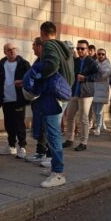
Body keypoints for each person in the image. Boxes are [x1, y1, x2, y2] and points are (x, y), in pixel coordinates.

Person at [35, 21, 75, 187]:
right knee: (54, 132)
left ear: (43, 32)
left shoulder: (49, 46)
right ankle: (54, 167)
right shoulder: (62, 46)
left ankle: (58, 173)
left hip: (54, 95)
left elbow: (51, 65)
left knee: (53, 134)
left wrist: (38, 74)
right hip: (62, 94)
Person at [0, 43, 31, 159]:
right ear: (5, 51)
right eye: (9, 50)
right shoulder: (1, 64)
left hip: (18, 98)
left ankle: (22, 146)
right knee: (8, 124)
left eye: (14, 49)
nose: (12, 51)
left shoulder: (23, 64)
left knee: (19, 123)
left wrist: (23, 83)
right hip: (6, 98)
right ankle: (11, 146)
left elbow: (30, 79)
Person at [63, 39, 100, 151]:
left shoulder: (92, 62)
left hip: (86, 93)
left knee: (83, 118)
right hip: (74, 92)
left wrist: (86, 78)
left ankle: (84, 142)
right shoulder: (76, 61)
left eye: (82, 48)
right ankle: (70, 139)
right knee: (69, 116)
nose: (79, 50)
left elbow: (98, 75)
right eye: (78, 48)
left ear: (88, 50)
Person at [25, 37, 51, 163]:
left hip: (47, 98)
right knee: (40, 126)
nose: (32, 48)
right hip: (39, 98)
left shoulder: (47, 61)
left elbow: (43, 77)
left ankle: (50, 156)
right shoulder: (38, 60)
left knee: (48, 127)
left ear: (40, 46)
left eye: (34, 45)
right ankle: (40, 151)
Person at [90, 48, 111, 136]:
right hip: (94, 88)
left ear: (105, 55)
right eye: (99, 54)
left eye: (102, 54)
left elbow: (104, 75)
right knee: (95, 110)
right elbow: (92, 74)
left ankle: (98, 127)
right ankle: (100, 124)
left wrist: (97, 74)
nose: (101, 56)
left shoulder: (108, 64)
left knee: (99, 110)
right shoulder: (94, 63)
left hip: (102, 89)